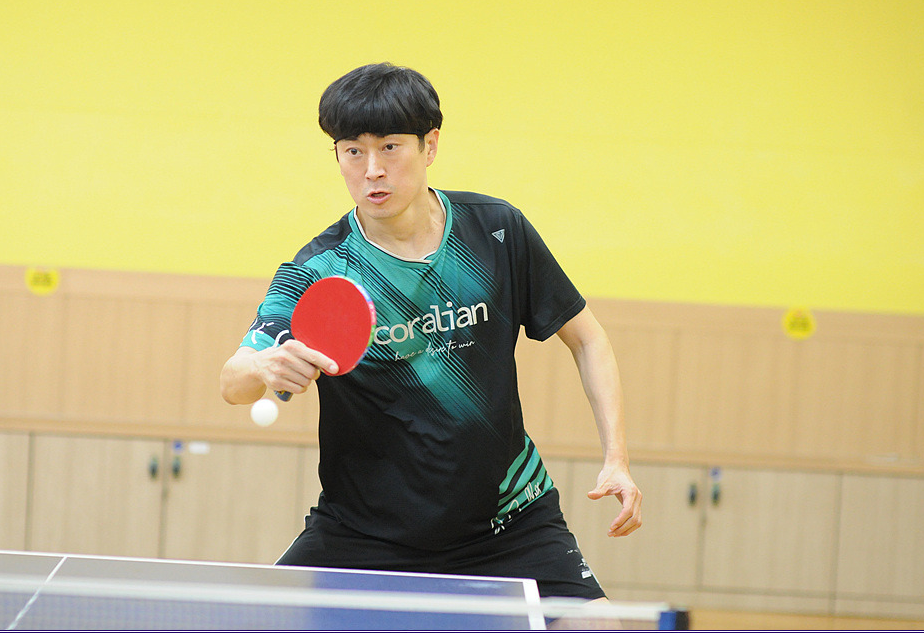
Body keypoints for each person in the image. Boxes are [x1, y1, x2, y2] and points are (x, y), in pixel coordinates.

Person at [220, 62, 641, 602]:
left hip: (510, 520)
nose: (372, 170)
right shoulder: (320, 270)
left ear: (430, 146)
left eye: (390, 148)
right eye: (353, 151)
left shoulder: (496, 230)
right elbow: (233, 383)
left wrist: (616, 458)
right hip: (364, 534)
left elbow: (588, 339)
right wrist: (263, 365)